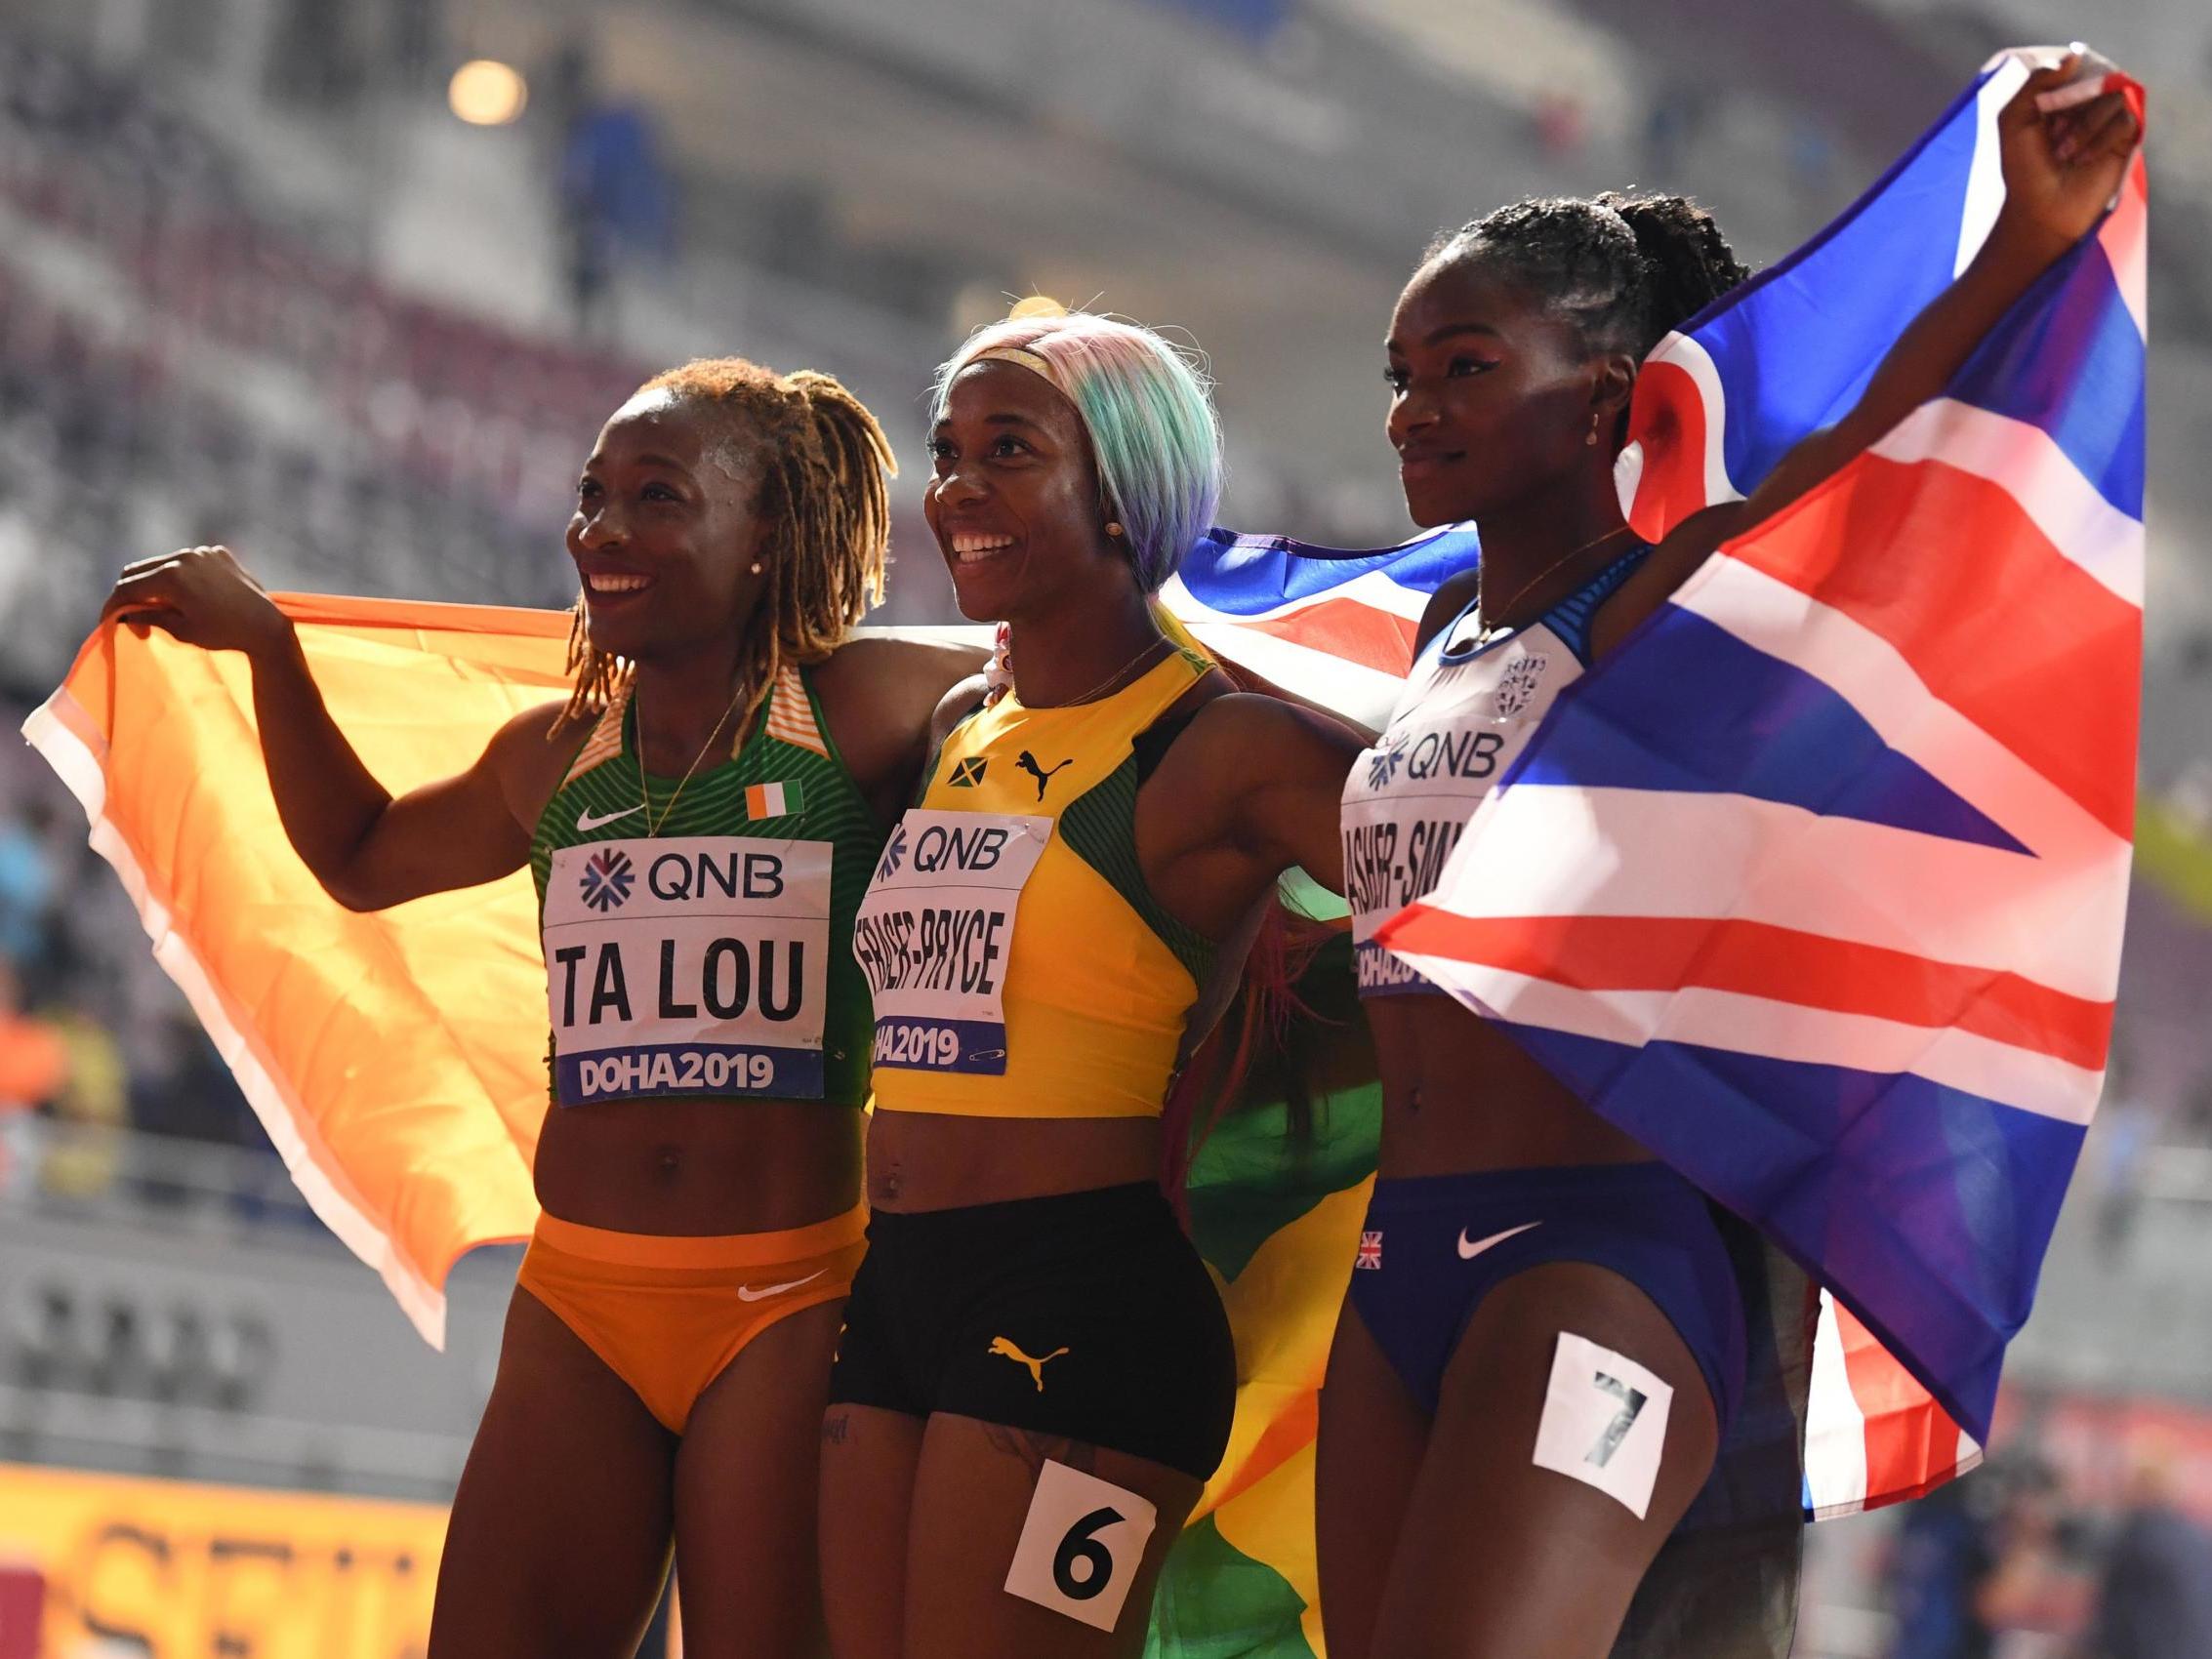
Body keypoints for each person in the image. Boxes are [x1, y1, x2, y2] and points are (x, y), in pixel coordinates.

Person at [1317, 51, 2142, 1659]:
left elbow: (1866, 460)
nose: (1415, 407)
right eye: (1402, 371)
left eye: (1468, 365)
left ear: (1616, 390)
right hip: (1391, 1259)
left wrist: (2021, 252)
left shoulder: (1649, 606)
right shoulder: (1422, 643)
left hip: (1589, 1260)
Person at [99, 358, 978, 1659]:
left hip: (790, 1302)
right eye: (591, 496)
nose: (600, 532)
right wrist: (271, 647)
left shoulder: (866, 713)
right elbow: (358, 855)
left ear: (768, 541)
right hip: (580, 1301)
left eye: (655, 497)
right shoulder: (556, 756)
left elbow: (1049, 662)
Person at [817, 308, 1361, 1659]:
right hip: (896, 1293)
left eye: (1012, 451)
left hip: (1083, 1311)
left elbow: (1479, 871)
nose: (957, 489)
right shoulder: (955, 727)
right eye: (946, 453)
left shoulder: (1218, 744)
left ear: (1122, 494)